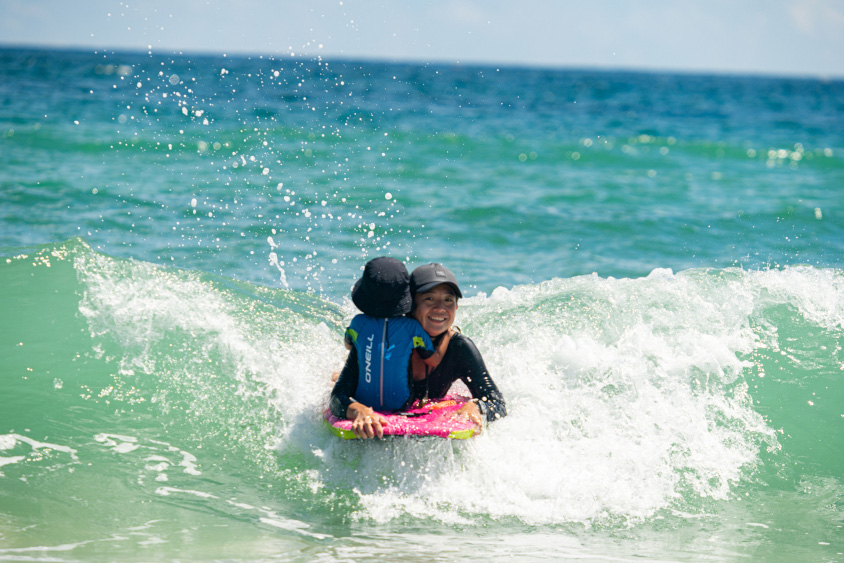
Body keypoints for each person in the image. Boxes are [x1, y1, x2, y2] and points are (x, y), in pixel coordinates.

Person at [330, 262, 506, 439]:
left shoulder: (459, 348)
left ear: (456, 308)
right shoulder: (376, 341)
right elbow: (338, 397)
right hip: (378, 419)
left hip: (423, 415)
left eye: (448, 300)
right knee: (340, 379)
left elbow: (496, 402)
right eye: (429, 299)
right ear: (410, 305)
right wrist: (359, 411)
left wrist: (475, 407)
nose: (440, 308)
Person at [341, 257, 452, 417]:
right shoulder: (412, 328)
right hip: (401, 404)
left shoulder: (358, 324)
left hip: (362, 402)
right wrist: (448, 334)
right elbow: (433, 361)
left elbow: (349, 346)